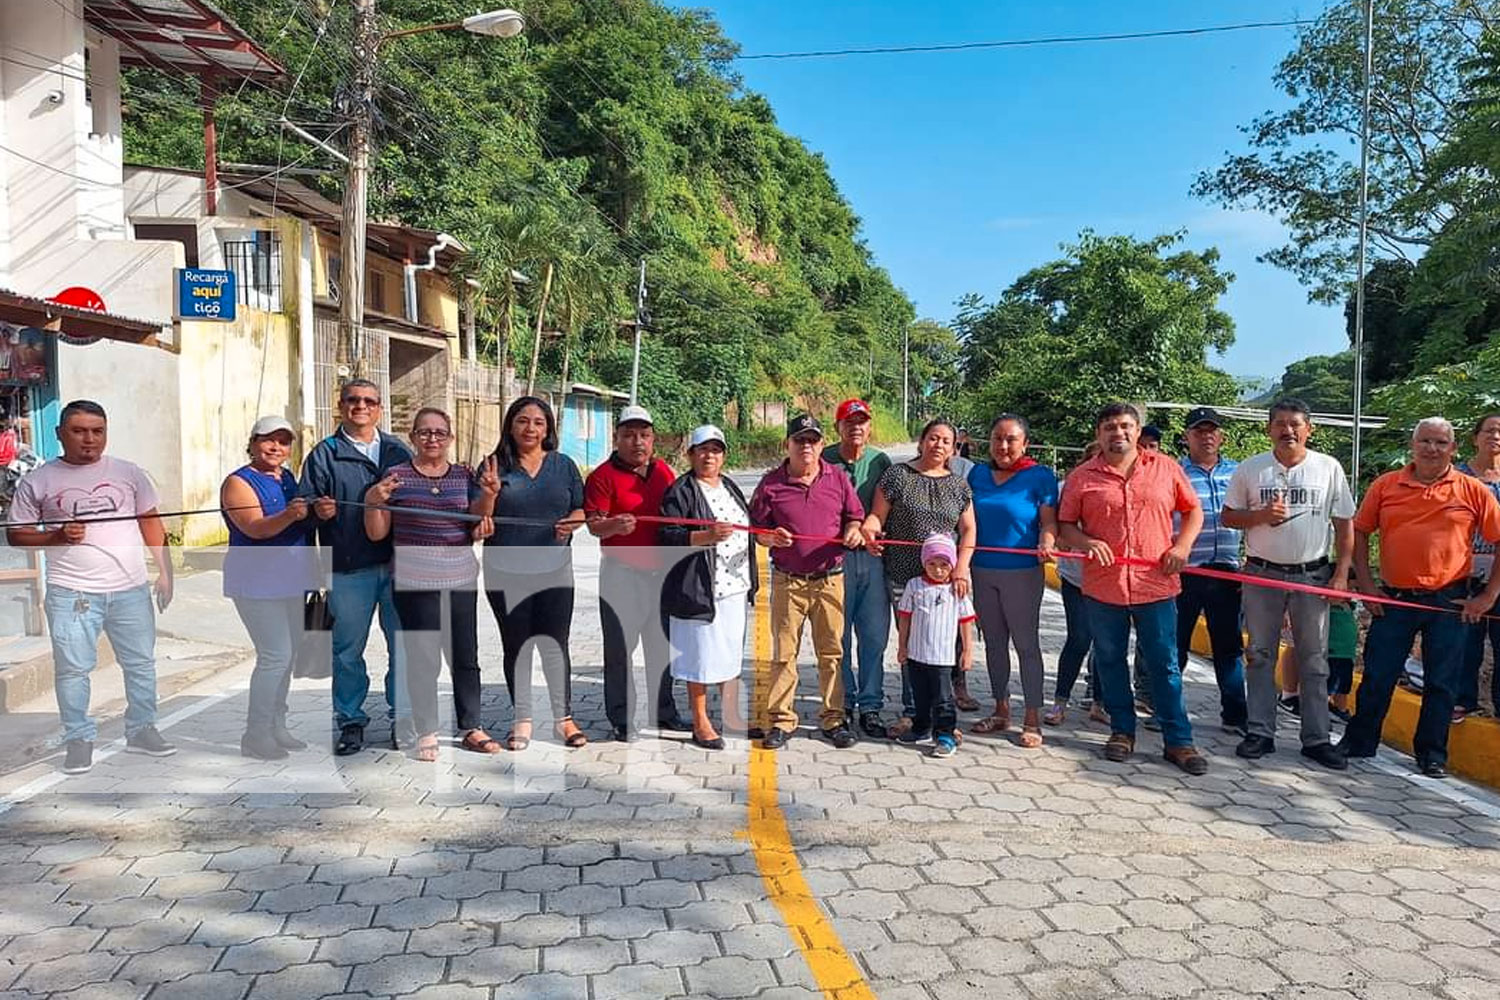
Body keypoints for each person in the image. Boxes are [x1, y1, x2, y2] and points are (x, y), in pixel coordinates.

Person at [6, 400, 176, 774]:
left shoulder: (129, 473)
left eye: (97, 431)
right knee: (73, 670)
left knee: (141, 664)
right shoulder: (39, 480)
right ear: (59, 434)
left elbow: (150, 521)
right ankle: (79, 739)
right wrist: (55, 536)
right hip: (72, 593)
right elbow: (17, 535)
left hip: (130, 589)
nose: (89, 439)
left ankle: (143, 729)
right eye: (79, 431)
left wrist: (165, 570)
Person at [1339, 417, 1500, 778]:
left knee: (1443, 683)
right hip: (1395, 599)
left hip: (1450, 601)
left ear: (1454, 449)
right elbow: (1360, 532)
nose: (1432, 448)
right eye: (1425, 441)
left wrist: (1488, 595)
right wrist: (1366, 585)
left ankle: (1431, 754)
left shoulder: (1472, 490)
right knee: (1379, 675)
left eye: (1441, 443)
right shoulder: (1386, 485)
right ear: (1413, 445)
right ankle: (1360, 741)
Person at [1057, 402, 1209, 775]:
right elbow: (1066, 525)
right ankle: (1121, 732)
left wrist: (1181, 547)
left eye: (1125, 426)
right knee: (1109, 661)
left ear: (1137, 431)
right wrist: (1087, 542)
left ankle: (1178, 740)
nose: (1118, 432)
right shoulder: (1083, 476)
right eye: (1109, 426)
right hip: (1103, 587)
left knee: (1164, 664)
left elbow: (1193, 511)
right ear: (1099, 433)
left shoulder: (1166, 469)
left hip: (1155, 586)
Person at [1221, 398, 1354, 770]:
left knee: (1314, 659)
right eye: (1279, 423)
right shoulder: (1251, 469)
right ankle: (1260, 732)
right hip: (1262, 574)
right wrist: (1261, 516)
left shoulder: (1328, 468)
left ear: (1309, 429)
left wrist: (1341, 574)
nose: (1287, 430)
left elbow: (1345, 525)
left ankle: (1316, 738)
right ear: (1269, 429)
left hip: (1312, 575)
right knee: (1259, 654)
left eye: (1295, 423)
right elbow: (1229, 516)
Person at [363, 409, 500, 762]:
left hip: (460, 578)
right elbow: (377, 532)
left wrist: (489, 497)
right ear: (413, 437)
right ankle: (427, 730)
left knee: (465, 657)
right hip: (413, 582)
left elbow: (475, 524)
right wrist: (372, 501)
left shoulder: (464, 476)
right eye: (425, 432)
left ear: (450, 438)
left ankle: (472, 726)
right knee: (423, 659)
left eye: (440, 432)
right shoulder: (396, 477)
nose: (432, 438)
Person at [300, 379, 412, 756]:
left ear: (379, 408)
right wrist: (318, 510)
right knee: (347, 651)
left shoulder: (398, 451)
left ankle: (404, 719)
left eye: (368, 401)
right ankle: (350, 720)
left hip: (398, 568)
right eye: (352, 400)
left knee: (404, 648)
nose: (360, 406)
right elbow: (303, 509)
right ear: (341, 405)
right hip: (348, 568)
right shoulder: (324, 454)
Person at [750, 414, 865, 750]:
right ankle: (782, 719)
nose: (807, 447)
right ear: (787, 444)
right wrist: (770, 538)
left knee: (832, 652)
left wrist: (853, 531)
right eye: (799, 440)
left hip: (830, 579)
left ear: (821, 444)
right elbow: (756, 529)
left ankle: (833, 718)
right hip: (788, 580)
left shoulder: (838, 477)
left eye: (813, 440)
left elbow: (854, 515)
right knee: (784, 653)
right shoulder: (771, 483)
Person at [482, 396, 586, 750]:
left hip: (555, 569)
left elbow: (580, 507)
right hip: (505, 571)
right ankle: (522, 719)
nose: (530, 428)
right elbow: (479, 516)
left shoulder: (564, 465)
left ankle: (563, 718)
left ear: (548, 429)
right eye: (523, 421)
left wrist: (573, 522)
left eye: (538, 422)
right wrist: (490, 493)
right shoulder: (494, 466)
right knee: (518, 645)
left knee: (556, 645)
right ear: (510, 425)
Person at [863, 419, 977, 736]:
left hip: (943, 579)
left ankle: (941, 713)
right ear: (921, 440)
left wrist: (962, 567)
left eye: (945, 441)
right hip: (903, 575)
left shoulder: (959, 485)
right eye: (932, 438)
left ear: (954, 448)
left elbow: (968, 530)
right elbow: (877, 515)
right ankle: (913, 712)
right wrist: (870, 528)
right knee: (911, 645)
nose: (938, 445)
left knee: (941, 644)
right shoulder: (897, 476)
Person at [585, 404, 688, 741]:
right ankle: (622, 718)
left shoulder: (664, 473)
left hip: (660, 575)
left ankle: (664, 712)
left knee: (661, 647)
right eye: (629, 435)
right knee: (619, 649)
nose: (637, 442)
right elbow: (593, 526)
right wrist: (613, 524)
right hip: (620, 575)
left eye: (644, 435)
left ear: (653, 439)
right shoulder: (601, 477)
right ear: (616, 439)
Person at [220, 415, 319, 760]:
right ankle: (256, 734)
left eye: (283, 441)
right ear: (252, 443)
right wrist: (291, 516)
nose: (276, 447)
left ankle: (278, 725)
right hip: (256, 582)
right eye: (268, 440)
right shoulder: (238, 483)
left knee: (288, 656)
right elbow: (255, 528)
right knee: (274, 656)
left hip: (293, 579)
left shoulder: (288, 478)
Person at [660, 425, 758, 750]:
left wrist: (766, 538)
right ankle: (700, 722)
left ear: (723, 455)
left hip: (734, 587)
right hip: (699, 587)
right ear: (691, 454)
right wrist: (705, 537)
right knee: (700, 655)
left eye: (716, 450)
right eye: (702, 449)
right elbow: (668, 538)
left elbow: (746, 529)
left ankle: (731, 716)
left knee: (728, 654)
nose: (709, 456)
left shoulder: (729, 485)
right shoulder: (680, 492)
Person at [966, 414, 1057, 747]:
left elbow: (1049, 524)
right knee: (993, 644)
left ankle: (1032, 717)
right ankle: (1001, 709)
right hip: (981, 569)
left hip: (1021, 572)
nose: (1003, 446)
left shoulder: (1040, 477)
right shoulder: (977, 474)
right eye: (997, 439)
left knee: (1026, 645)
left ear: (1025, 443)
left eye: (1011, 439)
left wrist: (1047, 542)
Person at [1174, 407, 1249, 735]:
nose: (1206, 436)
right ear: (1187, 436)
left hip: (1226, 572)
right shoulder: (1174, 472)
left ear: (1221, 436)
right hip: (1184, 571)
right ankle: (1169, 710)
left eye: (1212, 431)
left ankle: (1234, 715)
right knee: (1174, 646)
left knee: (1229, 646)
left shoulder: (1238, 473)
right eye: (1198, 431)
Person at [822, 398, 893, 738]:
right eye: (849, 421)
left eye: (862, 421)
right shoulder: (825, 459)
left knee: (874, 636)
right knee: (838, 636)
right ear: (838, 427)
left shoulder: (881, 461)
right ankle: (844, 702)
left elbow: (890, 505)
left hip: (874, 557)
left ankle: (872, 705)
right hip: (834, 558)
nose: (856, 427)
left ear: (869, 425)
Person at [895, 534, 976, 758]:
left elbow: (966, 621)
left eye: (943, 565)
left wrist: (968, 651)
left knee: (943, 699)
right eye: (932, 564)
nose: (938, 570)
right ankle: (921, 728)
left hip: (942, 659)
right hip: (916, 654)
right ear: (924, 563)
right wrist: (902, 646)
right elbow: (905, 617)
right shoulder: (914, 586)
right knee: (920, 695)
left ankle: (945, 734)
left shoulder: (956, 590)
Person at [1046, 443, 1105, 727]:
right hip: (1076, 577)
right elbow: (1057, 534)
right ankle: (1060, 701)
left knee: (1108, 644)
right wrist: (1083, 542)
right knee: (1079, 638)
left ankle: (1099, 703)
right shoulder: (1066, 486)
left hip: (1110, 578)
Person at [1458, 413, 1500, 721]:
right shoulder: (1457, 477)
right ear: (1475, 437)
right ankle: (1462, 700)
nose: (1495, 437)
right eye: (1489, 431)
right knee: (1464, 642)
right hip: (1463, 570)